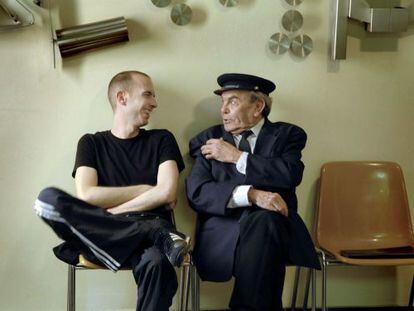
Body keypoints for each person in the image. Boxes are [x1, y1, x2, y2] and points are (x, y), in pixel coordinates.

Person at [34, 70, 189, 311]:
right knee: (48, 198)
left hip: (141, 241)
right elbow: (87, 195)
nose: (155, 103)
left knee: (157, 263)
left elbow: (167, 193)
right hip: (105, 234)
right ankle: (153, 231)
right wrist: (147, 190)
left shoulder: (162, 139)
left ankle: (152, 233)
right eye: (148, 94)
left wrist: (112, 211)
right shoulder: (91, 143)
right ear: (122, 97)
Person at [186, 73, 320, 311]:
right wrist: (251, 194)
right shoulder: (209, 140)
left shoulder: (287, 136)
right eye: (222, 102)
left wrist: (238, 157)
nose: (223, 110)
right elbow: (198, 192)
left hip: (274, 232)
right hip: (224, 234)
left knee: (265, 223)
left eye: (233, 102)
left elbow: (289, 174)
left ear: (258, 106)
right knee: (264, 245)